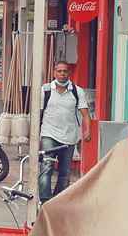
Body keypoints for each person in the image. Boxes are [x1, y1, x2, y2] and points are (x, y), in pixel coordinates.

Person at [39, 61, 93, 202]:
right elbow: (37, 113)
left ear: (69, 73)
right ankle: (45, 201)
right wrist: (34, 135)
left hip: (69, 136)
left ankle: (56, 202)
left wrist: (88, 130)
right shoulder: (45, 90)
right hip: (48, 134)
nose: (62, 74)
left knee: (64, 173)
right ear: (54, 73)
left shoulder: (77, 91)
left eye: (65, 71)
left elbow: (85, 114)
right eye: (59, 71)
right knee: (47, 168)